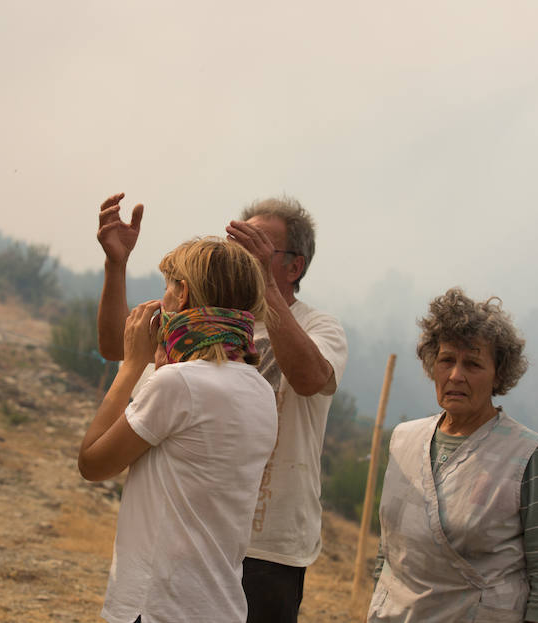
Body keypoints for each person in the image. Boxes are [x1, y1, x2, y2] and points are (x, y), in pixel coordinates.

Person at [96, 194, 348, 622]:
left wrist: (265, 288)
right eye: (240, 242)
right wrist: (116, 265)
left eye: (260, 247)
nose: (245, 254)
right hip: (193, 535)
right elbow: (115, 347)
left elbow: (309, 379)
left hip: (272, 546)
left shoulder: (318, 327)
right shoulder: (194, 325)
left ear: (294, 266)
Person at [79, 236, 279, 622]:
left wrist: (132, 365)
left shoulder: (177, 385)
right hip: (220, 604)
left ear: (182, 293)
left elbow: (92, 463)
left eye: (167, 286)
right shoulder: (260, 389)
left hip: (157, 606)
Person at [367, 288, 538, 623]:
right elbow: (389, 551)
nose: (456, 375)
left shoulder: (527, 456)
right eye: (447, 360)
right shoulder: (404, 439)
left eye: (472, 363)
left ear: (499, 374)